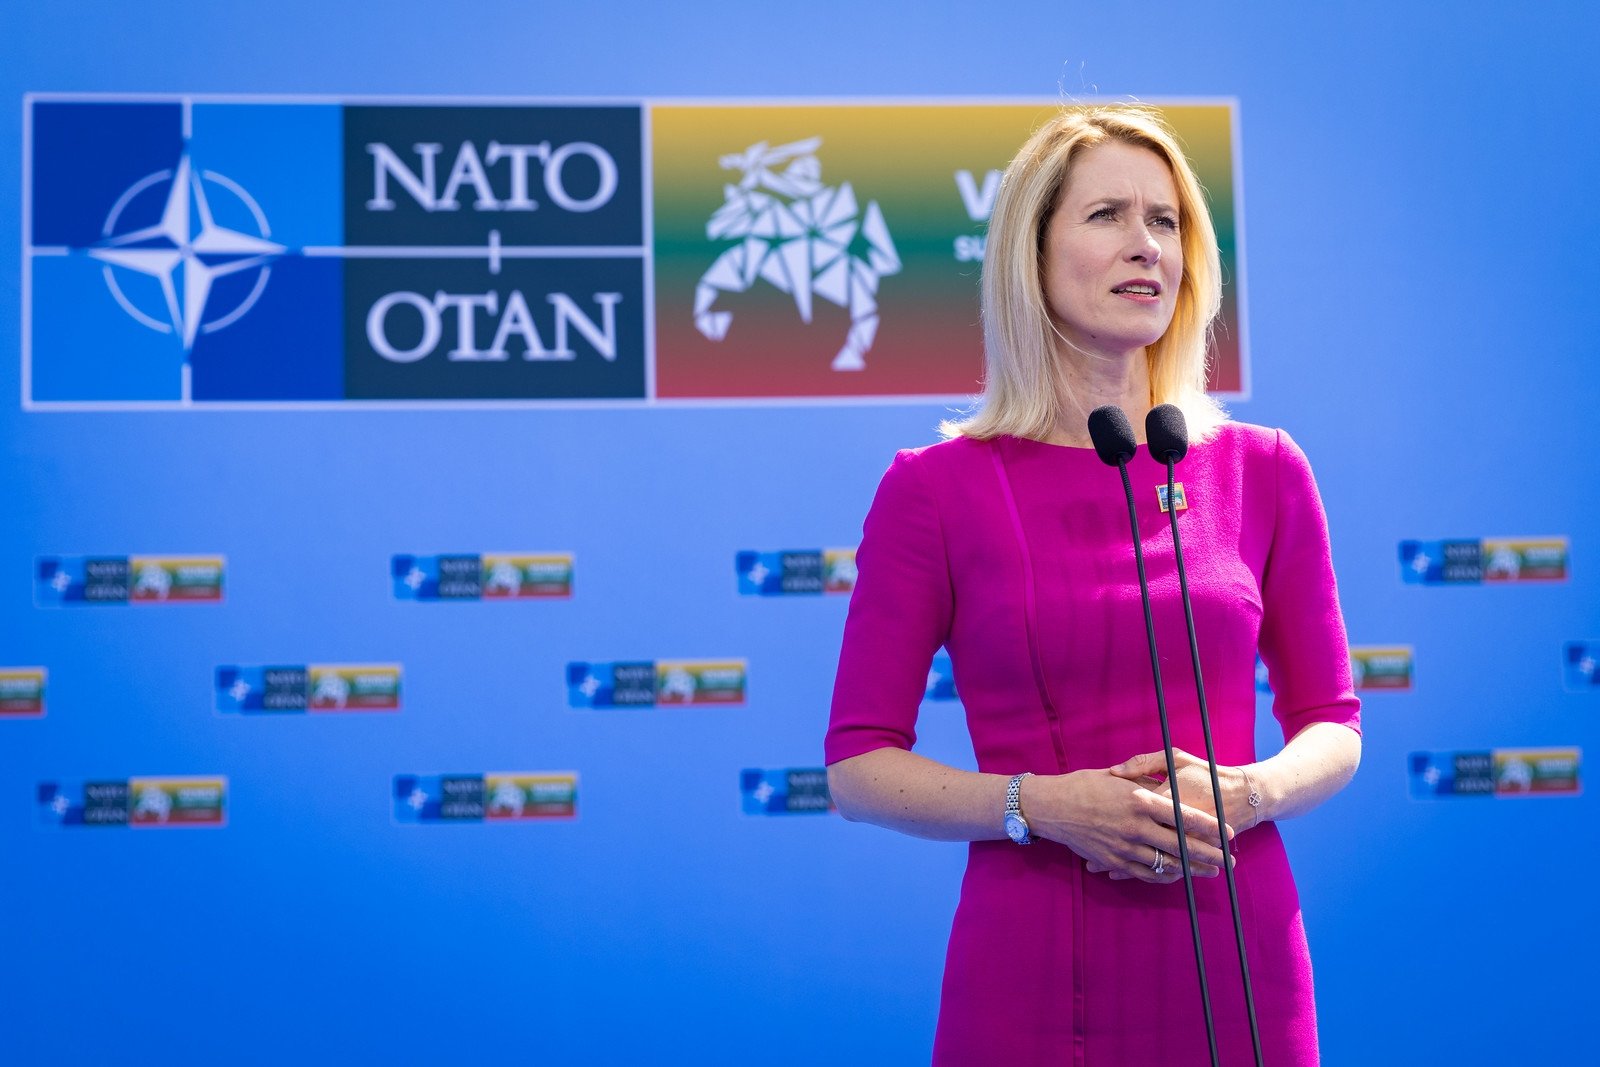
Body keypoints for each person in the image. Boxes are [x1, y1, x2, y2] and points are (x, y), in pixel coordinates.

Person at [824, 105, 1362, 1066]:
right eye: (1108, 214)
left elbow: (1334, 724)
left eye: (1166, 221)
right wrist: (1039, 804)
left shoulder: (1264, 468)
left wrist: (1250, 790)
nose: (1146, 244)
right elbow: (858, 765)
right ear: (1030, 253)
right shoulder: (934, 489)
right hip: (1029, 965)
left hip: (1238, 952)